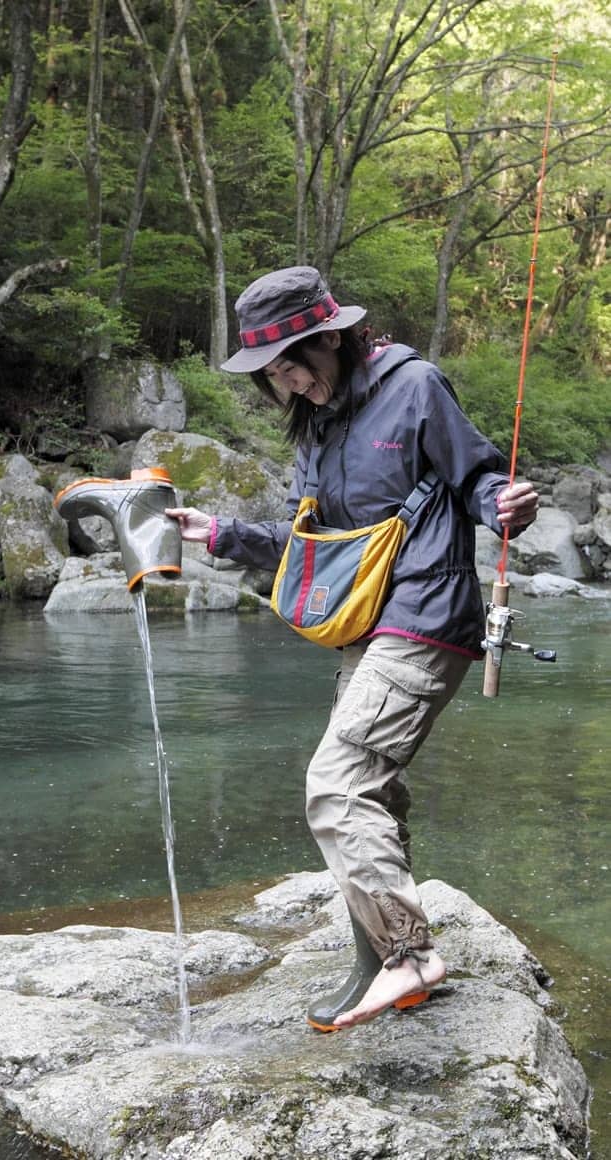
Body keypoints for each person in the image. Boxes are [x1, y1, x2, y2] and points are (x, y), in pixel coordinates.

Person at [166, 266, 539, 1031]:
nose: (284, 382)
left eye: (290, 362)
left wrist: (507, 504)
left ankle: (408, 955)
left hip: (428, 614)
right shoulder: (319, 419)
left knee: (338, 785)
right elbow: (323, 543)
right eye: (270, 372)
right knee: (378, 794)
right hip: (365, 624)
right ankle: (380, 967)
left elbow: (477, 483)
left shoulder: (415, 385)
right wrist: (224, 535)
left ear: (331, 336)